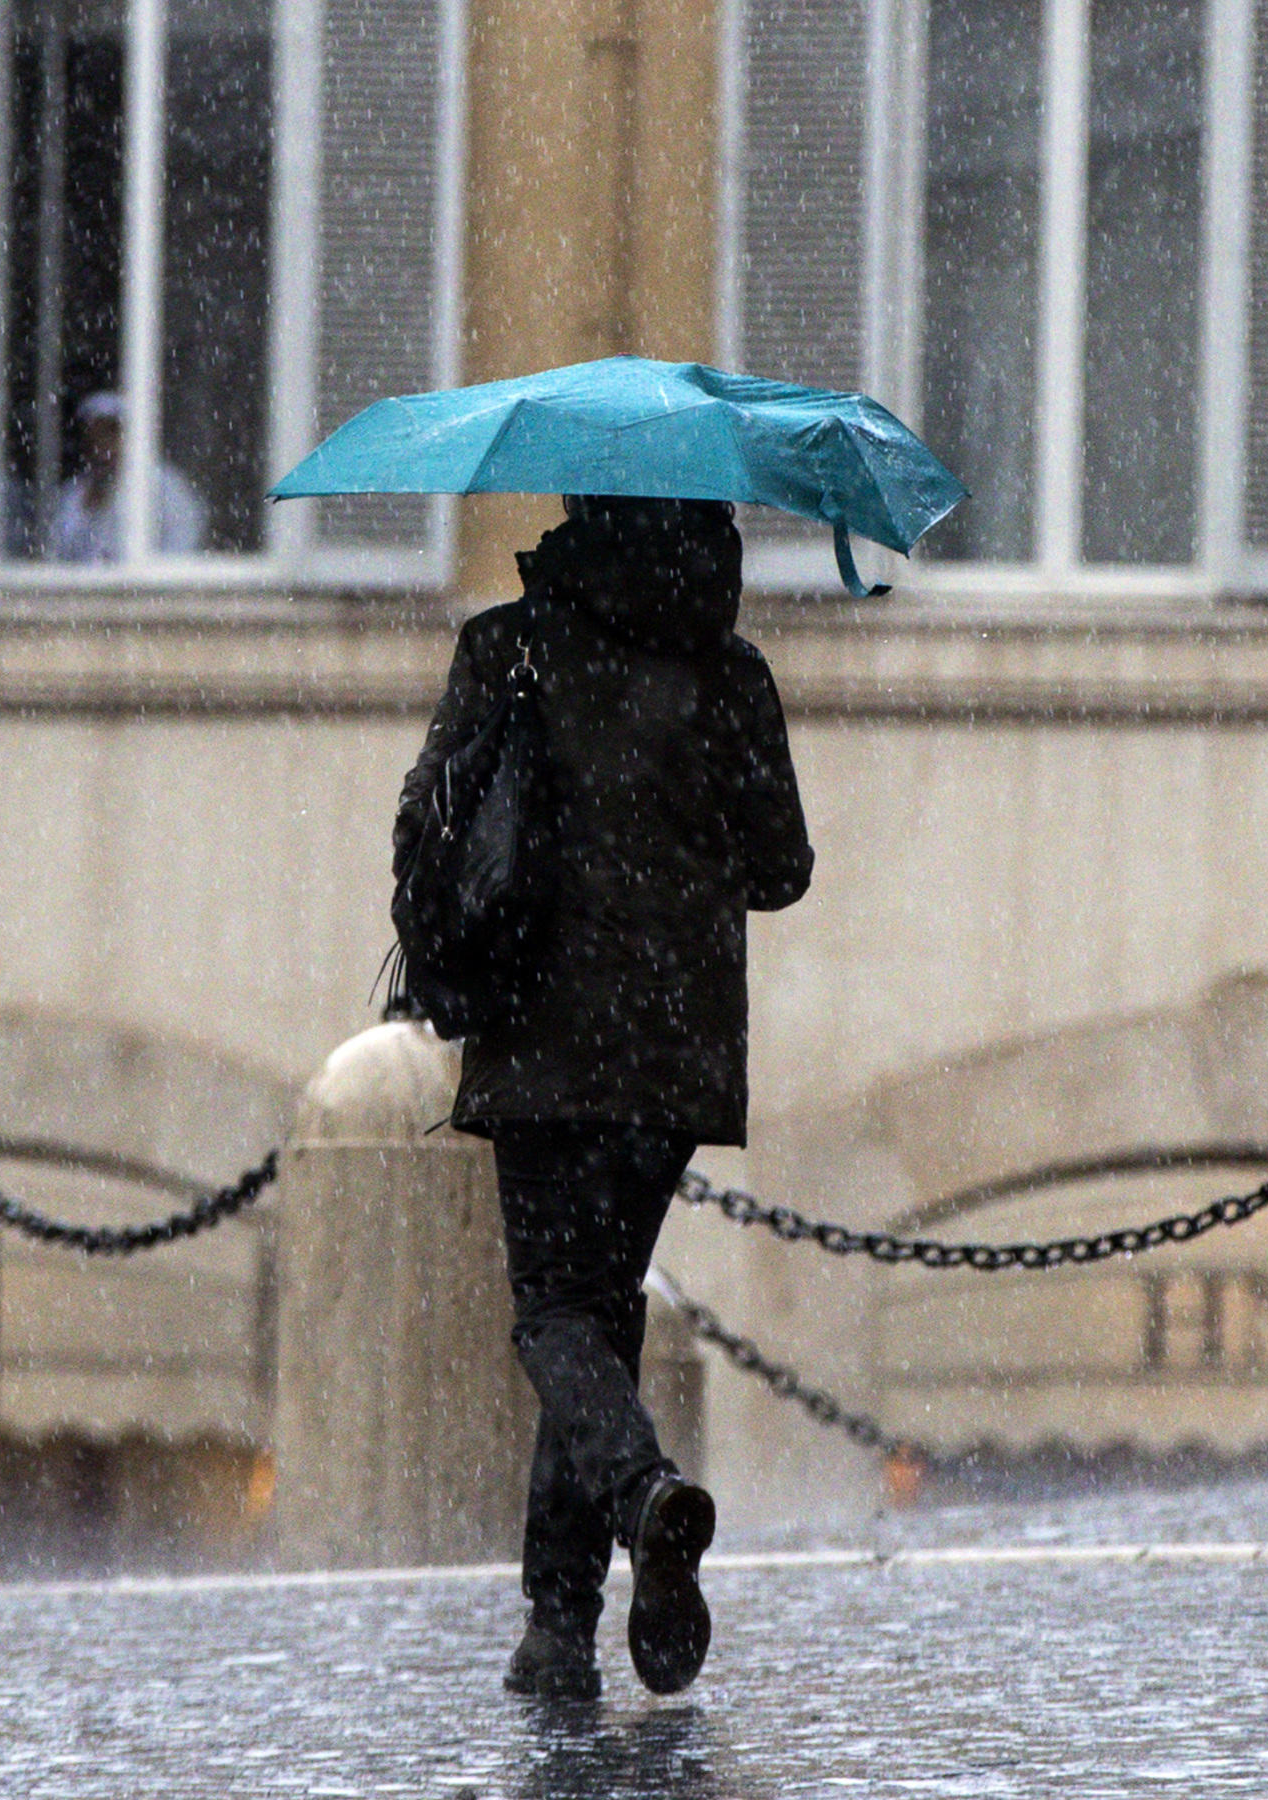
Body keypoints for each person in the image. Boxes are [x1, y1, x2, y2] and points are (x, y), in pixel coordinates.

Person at [396, 494, 813, 1702]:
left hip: (541, 1040)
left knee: (554, 1318)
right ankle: (558, 1627)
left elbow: (429, 826)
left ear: (578, 508)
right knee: (600, 1316)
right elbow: (782, 868)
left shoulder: (510, 643)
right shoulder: (728, 668)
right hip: (674, 1057)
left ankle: (641, 1500)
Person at [48, 391, 207, 562]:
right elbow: (58, 555)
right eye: (93, 436)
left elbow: (182, 546)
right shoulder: (74, 493)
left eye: (110, 433)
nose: (101, 444)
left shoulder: (165, 486)